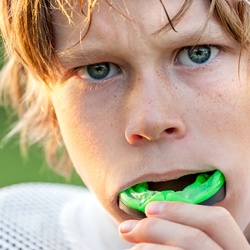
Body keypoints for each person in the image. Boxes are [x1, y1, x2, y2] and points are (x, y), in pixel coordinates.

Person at [0, 0, 250, 249]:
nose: (151, 121)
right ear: (50, 106)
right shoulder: (12, 236)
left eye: (198, 53)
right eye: (98, 70)